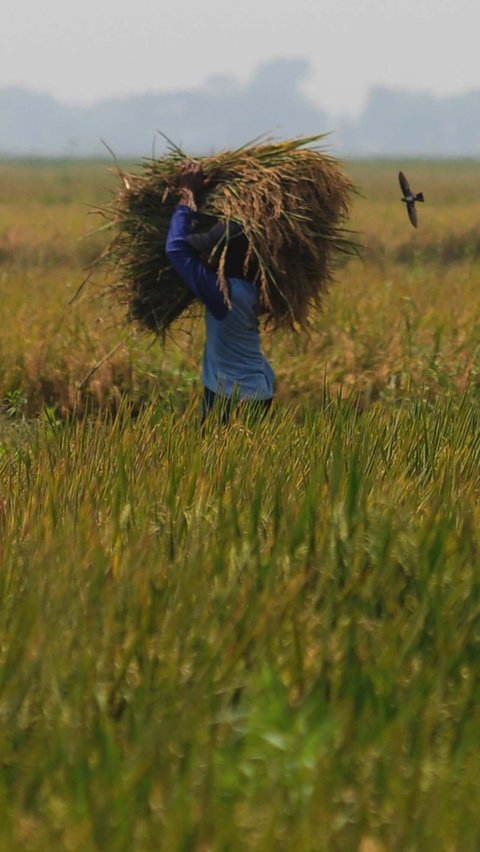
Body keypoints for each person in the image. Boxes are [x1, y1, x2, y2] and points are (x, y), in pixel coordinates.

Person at [165, 163, 274, 422]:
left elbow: (176, 250)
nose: (203, 259)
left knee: (210, 460)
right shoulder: (253, 287)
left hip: (231, 396)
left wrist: (187, 193)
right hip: (258, 389)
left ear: (223, 258)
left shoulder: (224, 293)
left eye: (209, 253)